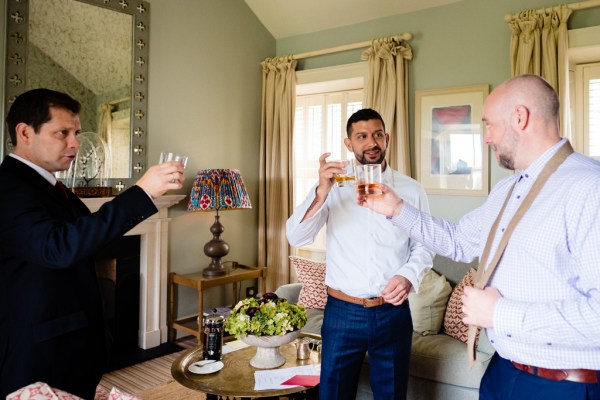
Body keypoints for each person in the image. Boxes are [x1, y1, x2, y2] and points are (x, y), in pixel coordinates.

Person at [359, 74, 600, 400]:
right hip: (502, 372)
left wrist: (500, 314)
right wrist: (397, 209)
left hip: (562, 386)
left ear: (519, 118)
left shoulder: (589, 187)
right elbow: (459, 241)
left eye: (489, 125)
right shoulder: (508, 189)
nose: (486, 138)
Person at [0, 88, 186, 399]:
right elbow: (58, 248)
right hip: (38, 350)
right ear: (24, 132)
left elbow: (84, 243)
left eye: (76, 132)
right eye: (63, 132)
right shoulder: (8, 188)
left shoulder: (53, 187)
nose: (75, 142)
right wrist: (141, 192)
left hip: (72, 344)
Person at [287, 108, 434, 399]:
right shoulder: (331, 188)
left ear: (387, 138)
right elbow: (296, 235)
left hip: (392, 312)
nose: (372, 142)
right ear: (349, 144)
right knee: (333, 395)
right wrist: (320, 192)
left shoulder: (411, 189)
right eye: (362, 136)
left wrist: (407, 276)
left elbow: (425, 244)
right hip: (342, 312)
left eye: (378, 135)